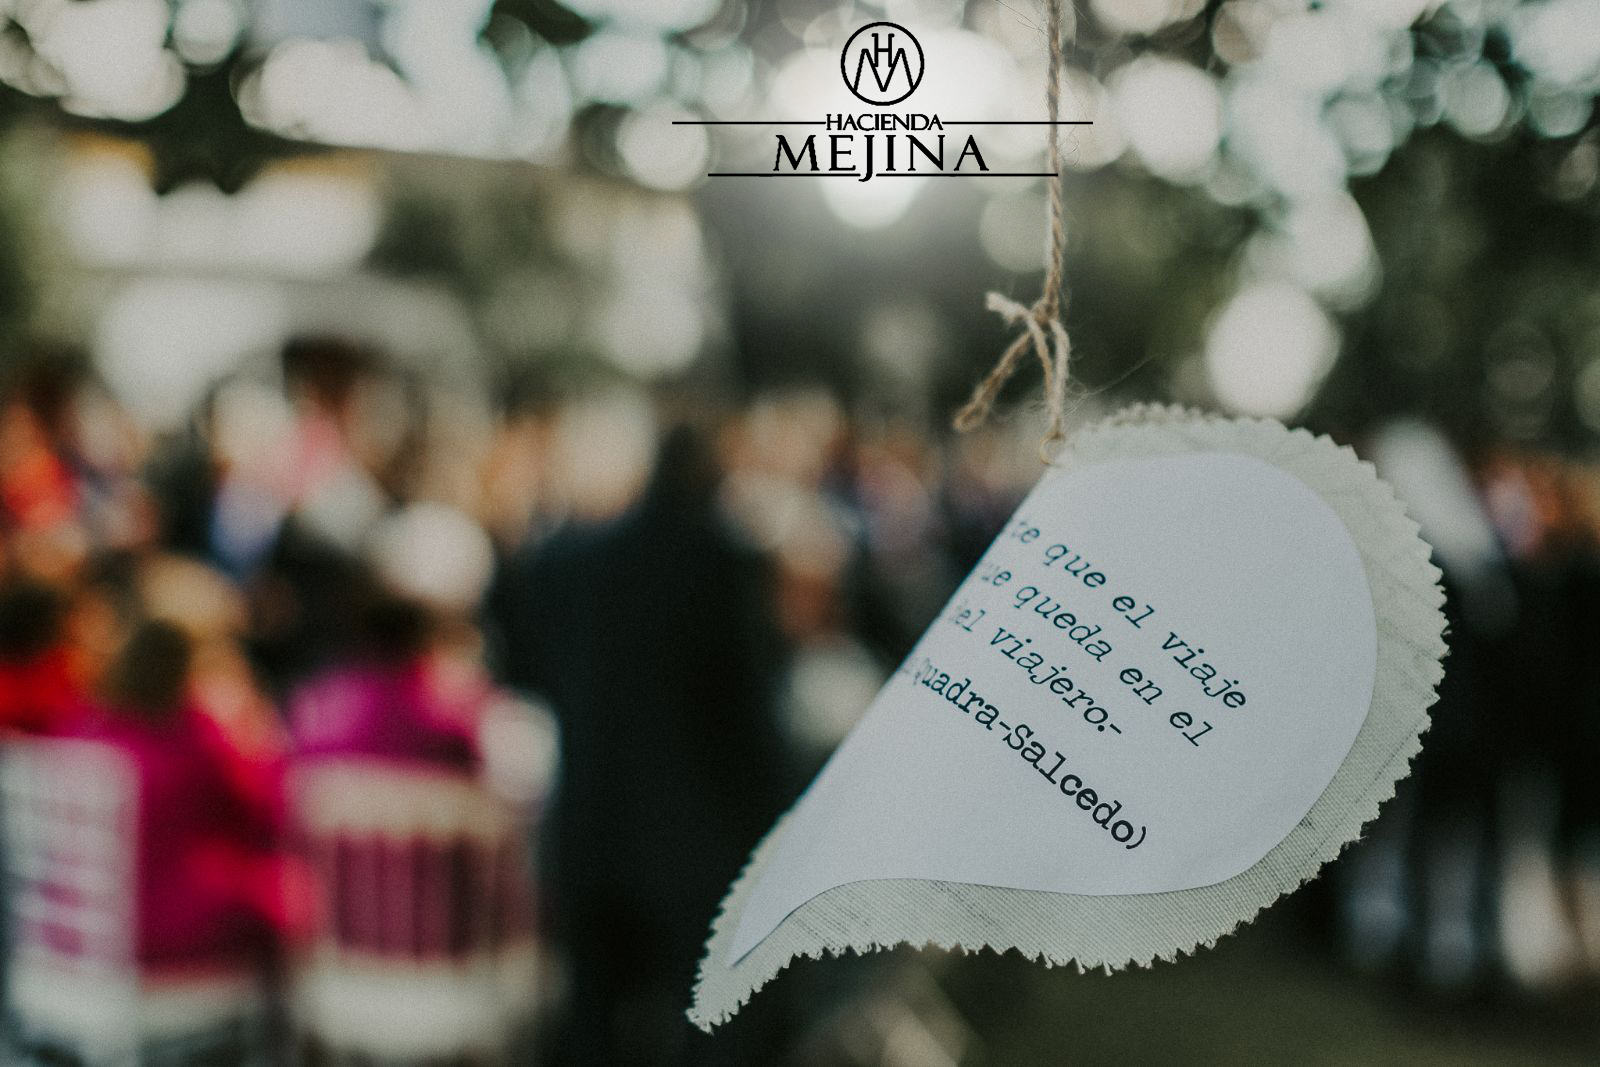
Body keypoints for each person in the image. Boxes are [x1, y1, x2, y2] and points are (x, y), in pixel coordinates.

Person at [495, 423, 795, 1067]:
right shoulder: (720, 565)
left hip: (590, 835)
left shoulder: (565, 562)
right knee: (706, 1029)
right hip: (693, 848)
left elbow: (527, 674)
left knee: (594, 1025)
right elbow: (748, 718)